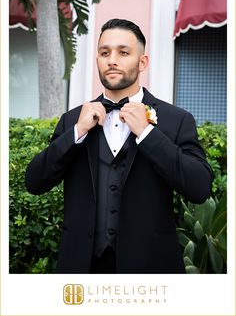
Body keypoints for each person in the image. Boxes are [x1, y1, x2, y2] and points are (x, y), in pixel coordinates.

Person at [25, 18, 212, 274]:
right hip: (82, 270)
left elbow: (199, 187)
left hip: (151, 271)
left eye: (123, 52)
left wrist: (146, 133)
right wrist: (78, 132)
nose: (112, 59)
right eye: (104, 52)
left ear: (142, 62)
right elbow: (35, 182)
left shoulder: (176, 120)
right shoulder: (73, 120)